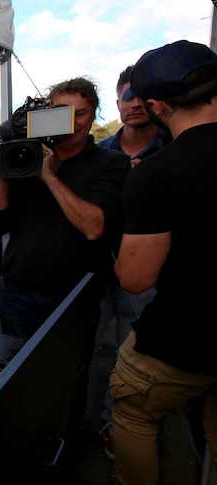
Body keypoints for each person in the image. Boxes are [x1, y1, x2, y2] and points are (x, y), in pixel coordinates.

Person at [0, 77, 130, 452]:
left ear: (94, 114)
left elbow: (94, 226)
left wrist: (48, 177)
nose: (71, 123)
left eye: (80, 114)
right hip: (18, 289)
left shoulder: (110, 163)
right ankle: (21, 444)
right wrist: (4, 171)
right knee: (16, 375)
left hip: (73, 297)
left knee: (67, 379)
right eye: (60, 115)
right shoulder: (25, 154)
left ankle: (61, 448)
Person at [109, 40, 217, 485]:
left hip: (186, 338)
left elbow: (135, 279)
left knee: (132, 404)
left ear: (156, 105)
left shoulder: (156, 173)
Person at [94, 63, 171, 459]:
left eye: (143, 95)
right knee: (80, 348)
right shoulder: (101, 153)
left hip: (145, 273)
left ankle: (115, 423)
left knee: (132, 354)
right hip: (95, 266)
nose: (135, 103)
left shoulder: (174, 148)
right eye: (127, 95)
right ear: (117, 103)